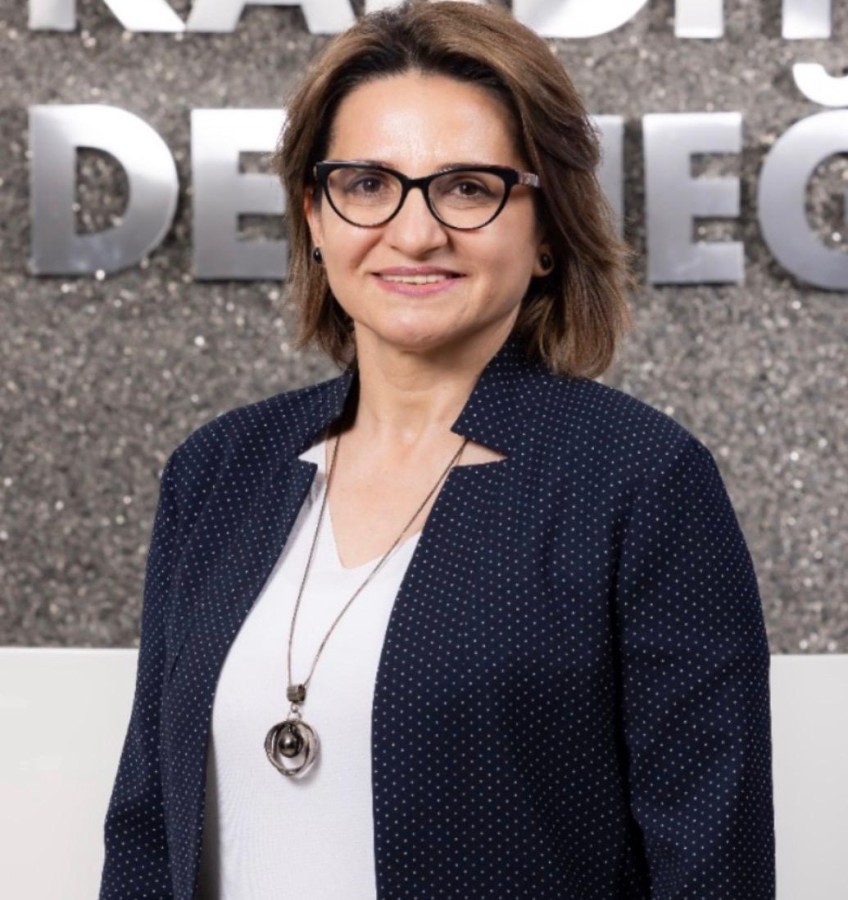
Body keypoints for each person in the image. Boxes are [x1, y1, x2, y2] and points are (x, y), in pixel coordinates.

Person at [99, 2, 775, 898]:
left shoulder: (639, 480)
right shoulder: (220, 471)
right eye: (366, 184)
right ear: (315, 216)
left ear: (546, 229)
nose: (415, 233)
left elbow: (712, 863)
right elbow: (146, 832)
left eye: (466, 188)